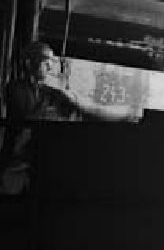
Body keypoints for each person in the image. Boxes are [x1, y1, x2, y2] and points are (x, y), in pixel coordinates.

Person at [2, 41, 137, 193]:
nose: (50, 68)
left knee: (82, 110)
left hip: (41, 152)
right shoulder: (16, 88)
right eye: (46, 63)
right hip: (20, 157)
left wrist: (69, 98)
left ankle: (124, 117)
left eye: (52, 63)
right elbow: (27, 119)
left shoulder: (47, 91)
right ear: (29, 63)